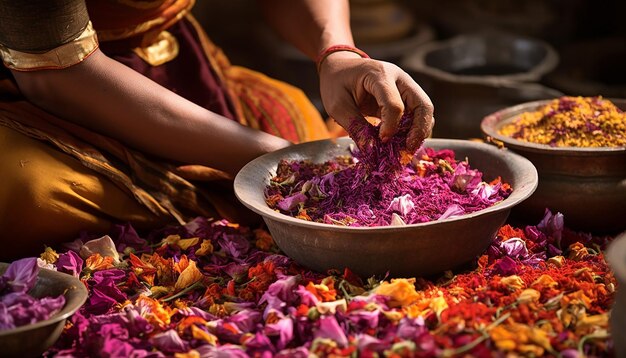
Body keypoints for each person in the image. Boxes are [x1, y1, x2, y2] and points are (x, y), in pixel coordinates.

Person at [0, 0, 434, 260]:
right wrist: (270, 158)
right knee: (28, 191)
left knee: (300, 122)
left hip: (181, 69)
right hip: (47, 87)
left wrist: (337, 54)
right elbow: (53, 74)